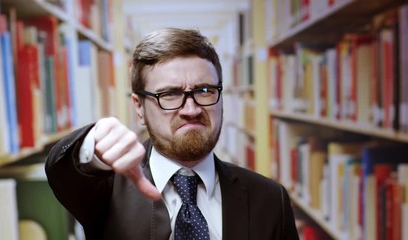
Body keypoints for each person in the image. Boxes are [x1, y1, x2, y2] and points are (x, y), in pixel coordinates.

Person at [45, 27, 299, 240]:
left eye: (204, 91)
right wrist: (92, 146)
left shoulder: (269, 199)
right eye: (169, 94)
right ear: (139, 108)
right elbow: (62, 171)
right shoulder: (105, 190)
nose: (191, 109)